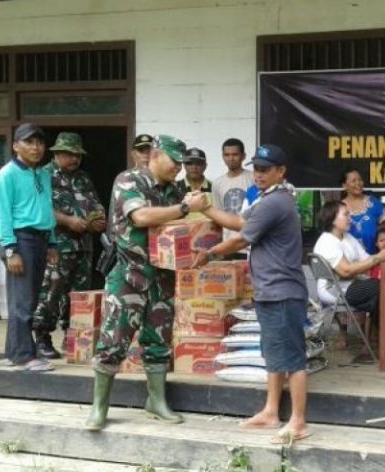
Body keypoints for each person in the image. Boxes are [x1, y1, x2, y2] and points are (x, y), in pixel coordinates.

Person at [86, 135, 208, 430]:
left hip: (162, 277)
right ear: (155, 156)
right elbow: (140, 217)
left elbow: (180, 228)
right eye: (174, 162)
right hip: (129, 276)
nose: (179, 168)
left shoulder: (174, 189)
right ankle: (99, 408)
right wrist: (183, 208)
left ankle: (156, 402)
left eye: (182, 164)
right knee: (113, 342)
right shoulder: (130, 180)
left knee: (159, 342)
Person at [195, 144, 311, 444]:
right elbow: (240, 222)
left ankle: (298, 422)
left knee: (293, 358)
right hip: (270, 290)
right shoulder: (265, 199)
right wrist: (205, 208)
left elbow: (239, 240)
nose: (258, 174)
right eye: (256, 169)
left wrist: (208, 254)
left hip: (283, 290)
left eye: (266, 169)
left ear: (280, 172)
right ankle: (271, 411)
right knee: (272, 354)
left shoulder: (276, 202)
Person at [32, 132, 106, 359]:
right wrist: (67, 221)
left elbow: (95, 205)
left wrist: (98, 220)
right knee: (51, 293)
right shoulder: (42, 175)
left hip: (83, 246)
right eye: (70, 154)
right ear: (57, 153)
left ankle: (72, 337)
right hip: (57, 246)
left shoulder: (83, 178)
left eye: (78, 155)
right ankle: (42, 338)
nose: (75, 159)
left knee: (79, 295)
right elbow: (38, 209)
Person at [0, 123, 58, 371]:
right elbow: (2, 215)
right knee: (22, 301)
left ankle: (16, 352)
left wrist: (51, 241)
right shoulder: (7, 174)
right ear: (15, 146)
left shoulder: (42, 173)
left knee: (30, 300)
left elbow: (46, 209)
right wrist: (10, 249)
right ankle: (24, 356)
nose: (36, 147)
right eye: (29, 142)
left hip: (40, 239)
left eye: (40, 142)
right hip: (21, 240)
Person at [314, 201, 385, 345]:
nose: (350, 218)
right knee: (380, 289)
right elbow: (345, 270)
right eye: (345, 214)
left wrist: (384, 255)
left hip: (351, 284)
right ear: (332, 219)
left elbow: (366, 259)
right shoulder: (327, 241)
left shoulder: (347, 238)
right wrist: (377, 257)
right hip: (334, 289)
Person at [212, 138, 254, 259]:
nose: (231, 158)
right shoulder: (217, 183)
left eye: (235, 154)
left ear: (243, 156)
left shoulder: (253, 179)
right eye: (227, 155)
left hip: (250, 245)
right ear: (222, 156)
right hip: (228, 246)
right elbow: (218, 215)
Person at [341, 169, 385, 254]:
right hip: (348, 257)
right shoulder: (340, 207)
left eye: (360, 180)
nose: (358, 183)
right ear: (344, 186)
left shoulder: (373, 202)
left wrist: (373, 230)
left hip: (373, 256)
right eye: (354, 181)